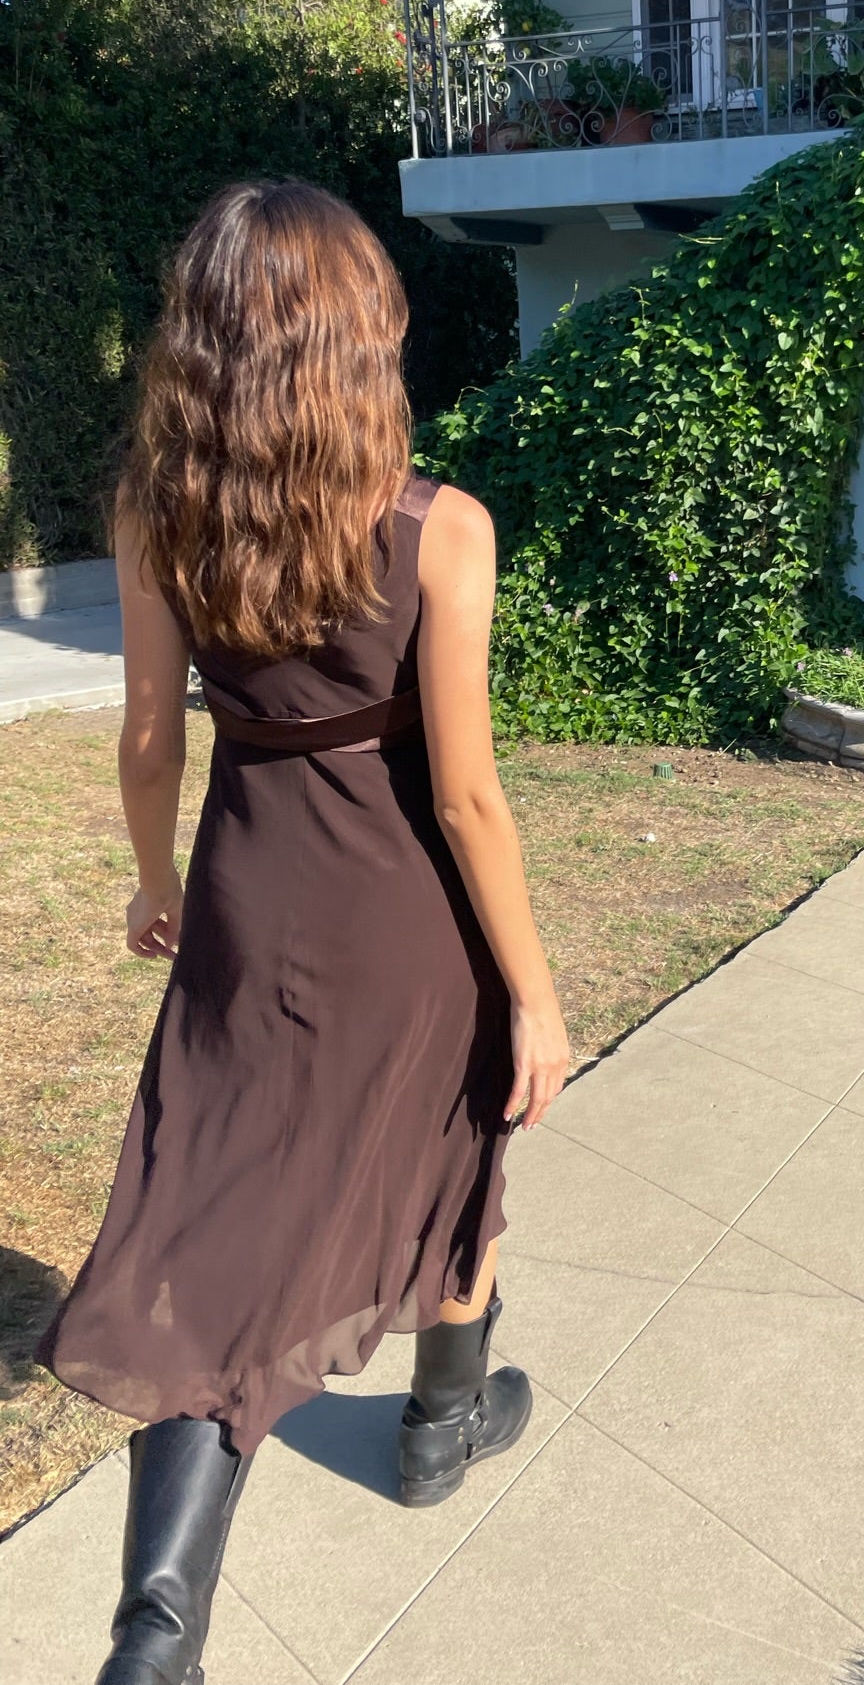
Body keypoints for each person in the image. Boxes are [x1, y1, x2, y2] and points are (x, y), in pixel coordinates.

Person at [37, 179, 570, 1685]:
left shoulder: (157, 512)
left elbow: (151, 738)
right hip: (408, 925)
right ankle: (438, 1422)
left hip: (245, 905)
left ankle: (155, 1641)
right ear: (358, 342)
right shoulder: (440, 529)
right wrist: (529, 990)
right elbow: (466, 798)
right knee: (450, 1155)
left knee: (216, 1237)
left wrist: (156, 883)